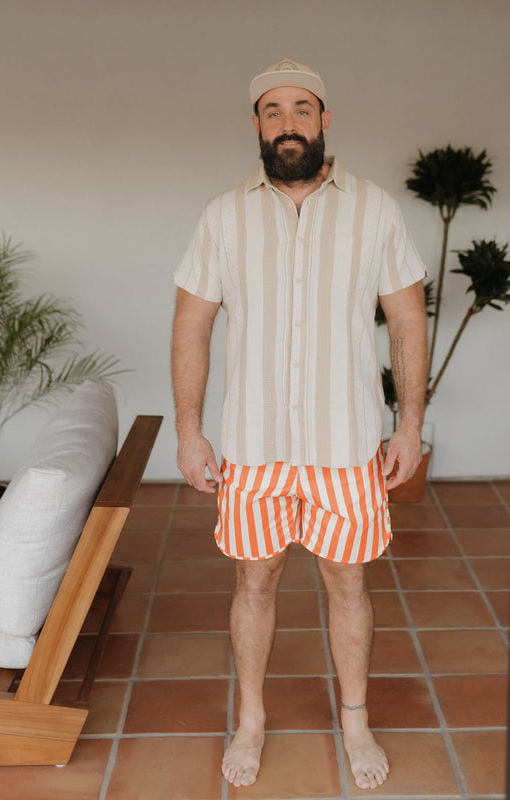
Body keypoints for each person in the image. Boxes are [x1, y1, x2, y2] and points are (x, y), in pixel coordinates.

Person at [172, 58, 427, 791]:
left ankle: (354, 719)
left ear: (324, 120)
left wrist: (407, 425)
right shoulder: (222, 215)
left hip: (345, 445)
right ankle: (250, 718)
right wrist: (191, 433)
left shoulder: (374, 208)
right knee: (255, 582)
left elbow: (406, 320)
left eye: (302, 108)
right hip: (254, 449)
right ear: (255, 124)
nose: (288, 123)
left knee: (346, 584)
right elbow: (191, 327)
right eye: (273, 110)